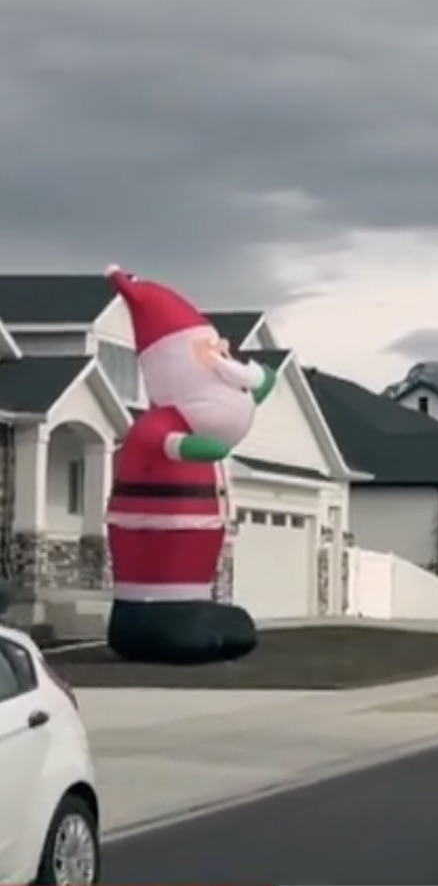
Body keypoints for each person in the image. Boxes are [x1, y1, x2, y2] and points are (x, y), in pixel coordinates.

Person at [104, 267, 275, 664]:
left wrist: (252, 386)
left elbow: (258, 388)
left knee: (231, 630)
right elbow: (173, 446)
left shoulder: (204, 412)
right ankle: (148, 617)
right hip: (150, 553)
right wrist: (203, 446)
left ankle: (191, 606)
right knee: (184, 622)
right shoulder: (159, 424)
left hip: (196, 555)